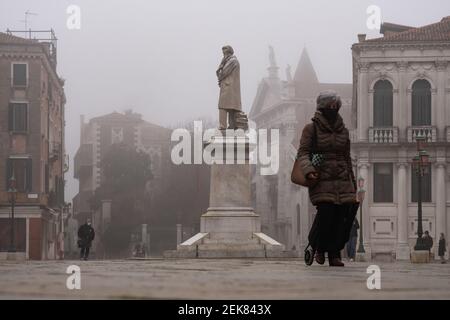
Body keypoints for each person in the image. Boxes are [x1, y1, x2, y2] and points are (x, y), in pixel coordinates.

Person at [297, 90, 358, 267]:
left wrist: (353, 182)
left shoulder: (344, 131)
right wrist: (309, 171)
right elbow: (303, 153)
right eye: (329, 106)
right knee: (326, 214)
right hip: (321, 177)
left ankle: (334, 253)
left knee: (342, 217)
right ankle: (319, 247)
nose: (333, 108)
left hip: (343, 178)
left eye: (335, 106)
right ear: (322, 108)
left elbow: (347, 157)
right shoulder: (311, 128)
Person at [216, 45, 241, 130]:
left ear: (229, 53)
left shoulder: (232, 61)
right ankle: (231, 126)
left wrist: (220, 68)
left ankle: (223, 126)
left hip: (229, 87)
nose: (223, 56)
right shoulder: (230, 61)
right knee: (230, 107)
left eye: (224, 54)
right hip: (229, 87)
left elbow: (223, 73)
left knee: (223, 106)